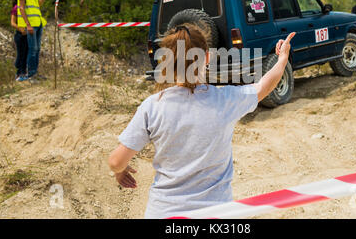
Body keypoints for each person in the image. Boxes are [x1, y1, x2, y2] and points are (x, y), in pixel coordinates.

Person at [108, 24, 296, 219]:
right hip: (216, 215)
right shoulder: (225, 100)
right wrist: (282, 59)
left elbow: (116, 161)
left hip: (164, 214)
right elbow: (264, 86)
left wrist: (120, 171)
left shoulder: (152, 106)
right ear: (207, 57)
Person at [17, 0, 47, 81]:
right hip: (31, 26)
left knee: (37, 49)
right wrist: (27, 25)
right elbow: (21, 8)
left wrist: (40, 3)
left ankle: (35, 72)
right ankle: (30, 74)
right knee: (32, 49)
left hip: (38, 23)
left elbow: (34, 8)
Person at [10, 0, 28, 81]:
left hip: (27, 34)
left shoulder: (25, 8)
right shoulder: (15, 8)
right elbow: (12, 23)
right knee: (20, 54)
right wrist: (20, 29)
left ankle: (23, 73)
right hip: (19, 34)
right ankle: (18, 73)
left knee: (25, 54)